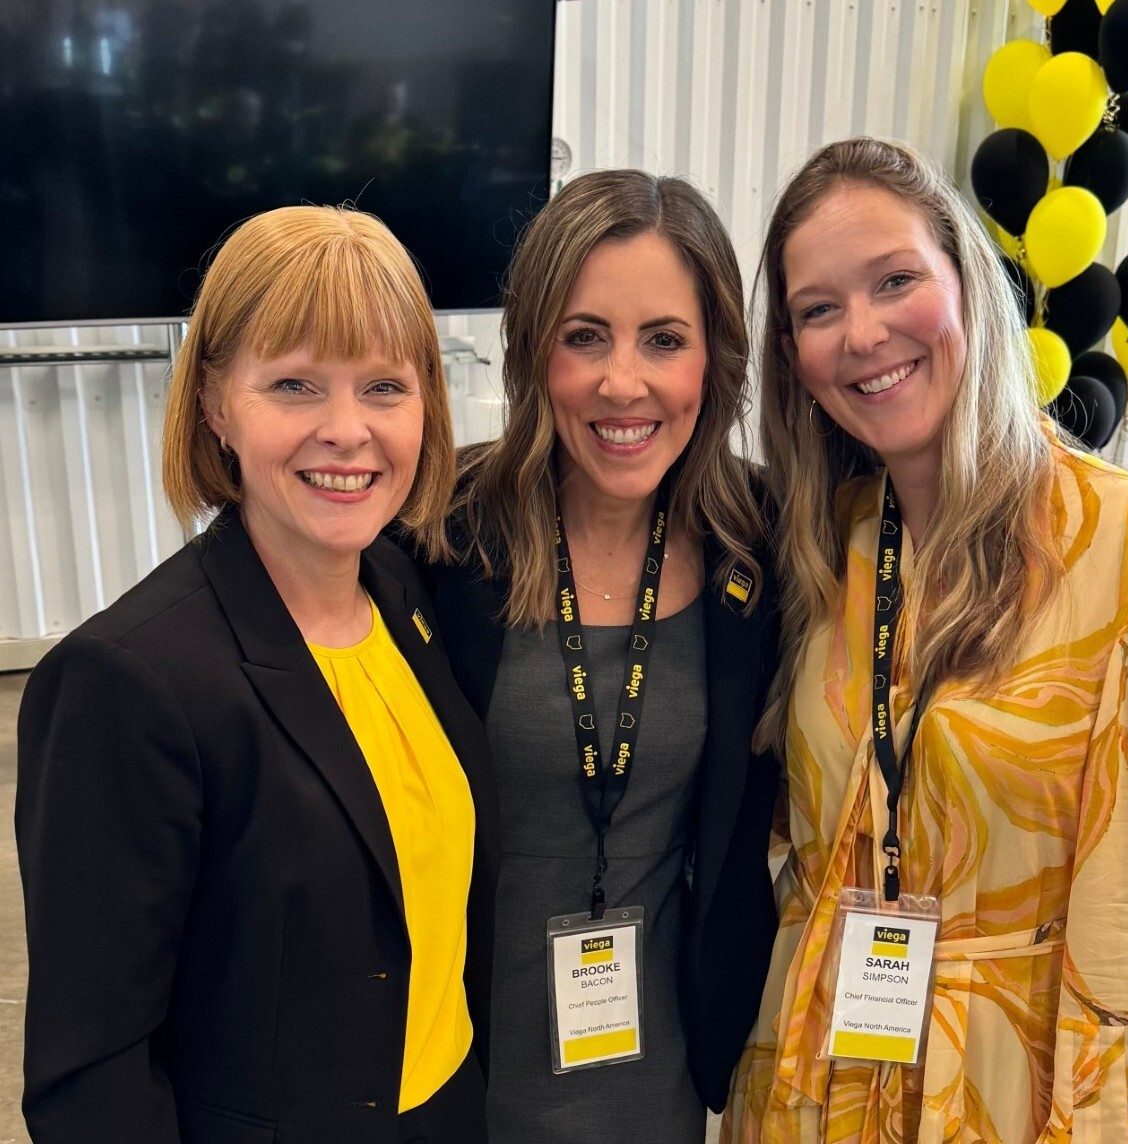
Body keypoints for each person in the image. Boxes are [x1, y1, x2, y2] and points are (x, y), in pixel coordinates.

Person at [723, 137, 1128, 1142]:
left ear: (966, 283)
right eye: (817, 310)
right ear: (792, 357)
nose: (861, 333)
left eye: (894, 280)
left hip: (1011, 1088)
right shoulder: (829, 543)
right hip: (818, 1076)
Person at [16, 205, 499, 1144]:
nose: (348, 431)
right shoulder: (128, 683)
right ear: (214, 405)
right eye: (294, 385)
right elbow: (91, 1077)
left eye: (385, 387)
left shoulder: (403, 593)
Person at [415, 169, 781, 1143]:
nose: (624, 382)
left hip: (660, 1072)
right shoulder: (439, 538)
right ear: (534, 352)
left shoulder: (761, 545)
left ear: (713, 359)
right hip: (464, 1064)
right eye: (584, 337)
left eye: (663, 339)